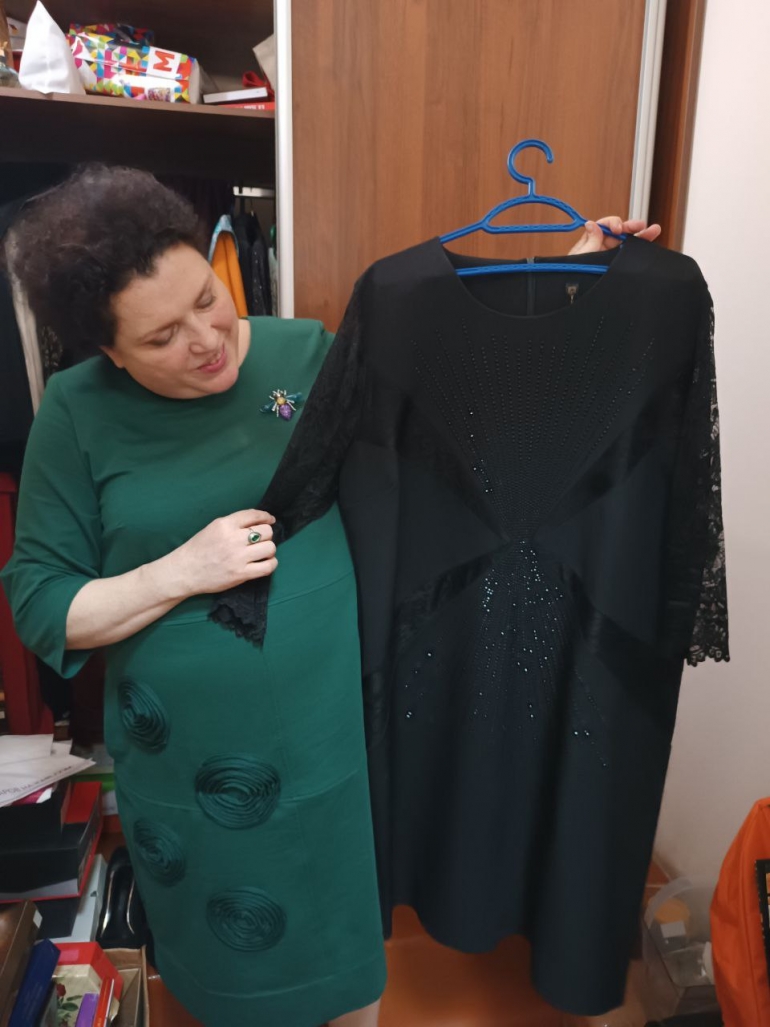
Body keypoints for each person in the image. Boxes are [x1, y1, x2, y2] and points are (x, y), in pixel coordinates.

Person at [0, 164, 660, 1027]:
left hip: (330, 742)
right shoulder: (76, 414)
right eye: (161, 337)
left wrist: (569, 282)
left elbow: (471, 415)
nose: (206, 338)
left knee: (344, 960)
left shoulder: (305, 353)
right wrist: (181, 569)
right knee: (228, 965)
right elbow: (41, 603)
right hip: (190, 767)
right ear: (109, 352)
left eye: (207, 298)